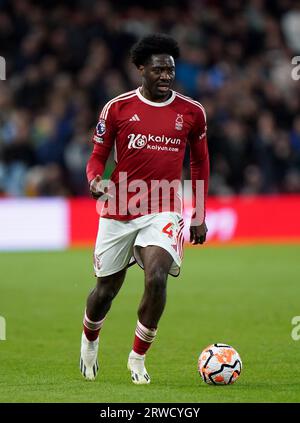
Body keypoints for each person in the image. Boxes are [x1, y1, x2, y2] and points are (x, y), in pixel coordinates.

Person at [79, 33, 209, 385]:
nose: (166, 76)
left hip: (165, 207)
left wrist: (198, 214)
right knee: (105, 291)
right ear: (140, 69)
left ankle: (137, 357)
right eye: (158, 70)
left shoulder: (191, 112)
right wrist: (95, 180)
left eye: (170, 70)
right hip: (119, 208)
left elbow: (199, 163)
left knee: (156, 277)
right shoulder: (117, 108)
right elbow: (97, 157)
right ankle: (90, 339)